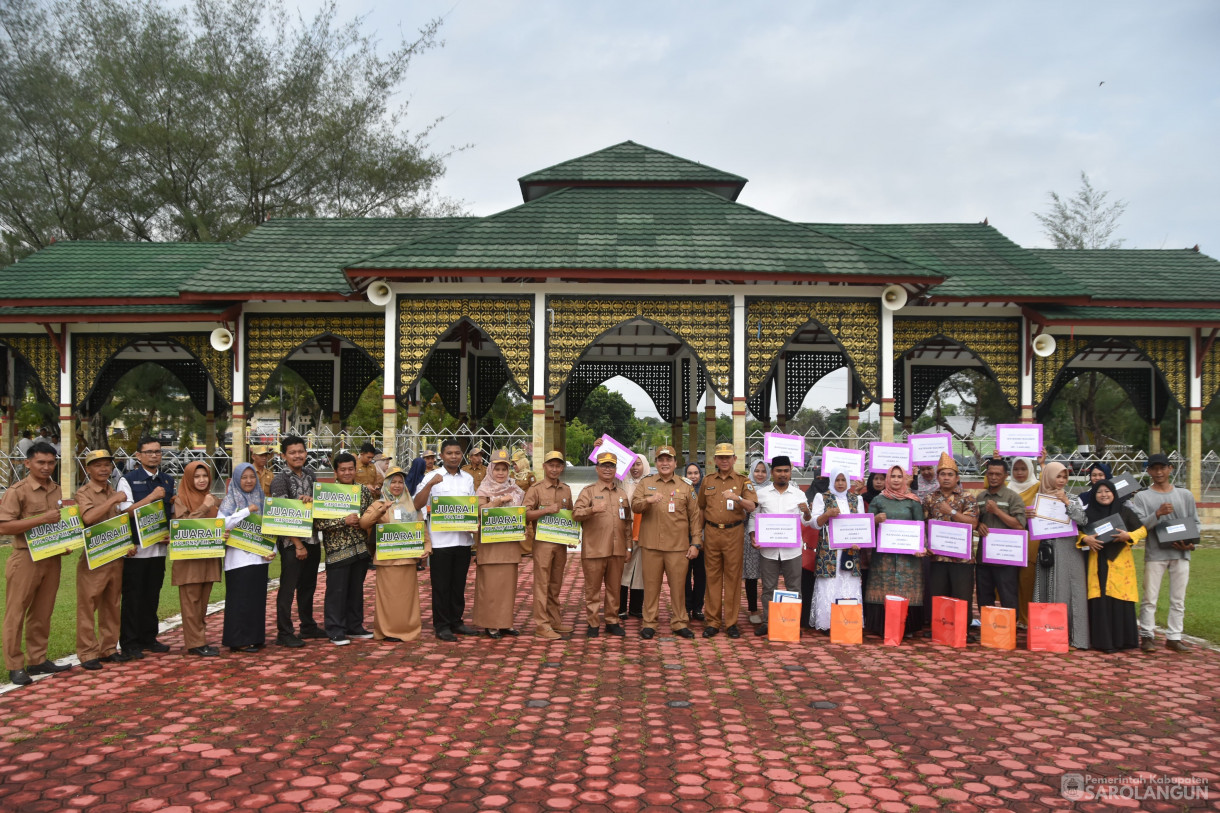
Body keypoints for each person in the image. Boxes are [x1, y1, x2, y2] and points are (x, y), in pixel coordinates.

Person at [0, 441, 72, 686]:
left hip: (51, 558)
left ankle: (38, 659)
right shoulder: (17, 491)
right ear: (27, 463)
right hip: (25, 558)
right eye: (41, 462)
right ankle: (14, 665)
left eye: (51, 462)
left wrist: (66, 541)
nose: (46, 467)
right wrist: (42, 519)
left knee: (43, 612)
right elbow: (4, 527)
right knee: (16, 613)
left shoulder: (58, 490)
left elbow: (61, 523)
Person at [631, 446, 702, 640]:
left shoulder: (685, 485)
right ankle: (649, 622)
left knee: (679, 587)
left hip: (677, 547)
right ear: (656, 463)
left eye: (668, 460)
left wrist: (695, 543)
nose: (664, 463)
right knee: (651, 587)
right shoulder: (646, 483)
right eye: (661, 460)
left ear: (675, 463)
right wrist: (649, 500)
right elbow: (634, 505)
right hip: (651, 545)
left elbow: (695, 517)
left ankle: (680, 622)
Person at [1129, 453, 1198, 652]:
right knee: (1150, 597)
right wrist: (1157, 514)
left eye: (1162, 468)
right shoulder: (1142, 496)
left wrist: (1190, 544)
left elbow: (1195, 523)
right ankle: (1147, 635)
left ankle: (1174, 636)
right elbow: (1140, 526)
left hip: (1181, 553)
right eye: (1154, 468)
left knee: (1178, 598)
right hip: (1156, 553)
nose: (1159, 472)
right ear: (1148, 471)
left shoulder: (1184, 495)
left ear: (1170, 469)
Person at [118, 435, 177, 657]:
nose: (154, 455)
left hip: (158, 548)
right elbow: (125, 512)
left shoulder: (169, 480)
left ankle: (149, 637)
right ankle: (130, 642)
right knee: (133, 597)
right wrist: (152, 497)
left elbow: (172, 514)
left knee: (152, 595)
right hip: (136, 549)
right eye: (149, 452)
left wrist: (172, 533)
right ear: (138, 455)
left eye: (158, 451)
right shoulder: (128, 480)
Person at [414, 438, 479, 641]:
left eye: (457, 453)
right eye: (449, 453)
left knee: (458, 585)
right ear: (441, 456)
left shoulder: (467, 478)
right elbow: (417, 503)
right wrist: (430, 485)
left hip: (463, 540)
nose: (453, 456)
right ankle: (441, 625)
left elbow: (471, 506)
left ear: (462, 455)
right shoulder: (432, 476)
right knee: (441, 586)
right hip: (441, 542)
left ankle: (456, 621)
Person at [73, 450, 130, 670]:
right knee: (88, 605)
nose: (104, 469)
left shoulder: (112, 490)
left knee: (112, 604)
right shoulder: (84, 493)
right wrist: (114, 499)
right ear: (88, 469)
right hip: (94, 558)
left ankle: (108, 648)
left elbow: (118, 521)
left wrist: (127, 544)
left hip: (115, 555)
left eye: (107, 465)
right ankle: (87, 652)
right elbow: (88, 518)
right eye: (98, 465)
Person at [361, 467, 430, 642]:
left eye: (400, 482)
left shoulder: (411, 504)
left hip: (408, 559)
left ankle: (408, 629)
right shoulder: (379, 503)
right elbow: (364, 523)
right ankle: (387, 631)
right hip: (386, 560)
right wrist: (381, 510)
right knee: (388, 597)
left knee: (406, 598)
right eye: (393, 482)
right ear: (386, 484)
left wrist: (427, 546)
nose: (397, 485)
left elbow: (421, 526)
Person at [748, 456, 814, 637]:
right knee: (769, 587)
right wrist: (753, 536)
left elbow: (806, 521)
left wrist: (807, 512)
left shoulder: (799, 494)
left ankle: (792, 623)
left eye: (786, 471)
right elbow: (754, 518)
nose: (782, 474)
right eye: (779, 471)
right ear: (772, 472)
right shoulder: (762, 494)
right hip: (768, 550)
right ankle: (768, 622)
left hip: (792, 551)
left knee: (794, 588)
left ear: (790, 472)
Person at [1077, 480, 1145, 653]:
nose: (1104, 494)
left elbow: (1143, 530)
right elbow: (1077, 531)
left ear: (1114, 493)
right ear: (1094, 495)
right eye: (1099, 492)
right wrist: (1085, 538)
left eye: (1107, 491)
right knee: (1102, 600)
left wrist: (1128, 536)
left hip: (1120, 560)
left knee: (1119, 598)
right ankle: (1103, 642)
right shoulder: (1088, 514)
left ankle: (1124, 641)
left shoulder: (1124, 511)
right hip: (1097, 560)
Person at [269, 435, 324, 648]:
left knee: (308, 585)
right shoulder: (280, 478)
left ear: (306, 453)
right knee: (288, 587)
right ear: (284, 456)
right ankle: (284, 631)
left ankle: (308, 625)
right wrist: (297, 544)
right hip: (292, 543)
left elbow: (320, 504)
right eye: (292, 452)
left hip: (312, 538)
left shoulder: (311, 474)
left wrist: (313, 501)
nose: (297, 455)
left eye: (301, 451)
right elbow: (280, 514)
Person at [697, 444, 756, 639]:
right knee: (712, 578)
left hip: (734, 533)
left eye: (727, 457)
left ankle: (731, 623)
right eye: (720, 457)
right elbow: (702, 509)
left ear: (734, 459)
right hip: (712, 532)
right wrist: (698, 535)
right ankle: (712, 621)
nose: (724, 461)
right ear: (714, 460)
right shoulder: (708, 480)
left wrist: (736, 497)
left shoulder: (743, 481)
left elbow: (752, 506)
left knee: (732, 578)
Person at [317, 452, 375, 645]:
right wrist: (344, 521)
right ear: (335, 471)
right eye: (343, 470)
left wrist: (364, 523)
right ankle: (335, 630)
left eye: (351, 469)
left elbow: (369, 514)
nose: (347, 473)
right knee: (337, 591)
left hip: (359, 549)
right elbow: (319, 524)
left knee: (356, 590)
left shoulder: (362, 491)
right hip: (337, 550)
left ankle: (355, 626)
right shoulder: (327, 492)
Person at [1032, 461, 1090, 649]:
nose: (1061, 480)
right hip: (1048, 549)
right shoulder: (1039, 499)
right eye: (1058, 476)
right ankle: (1048, 636)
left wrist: (1066, 503)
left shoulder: (1073, 498)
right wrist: (1029, 517)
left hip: (1070, 550)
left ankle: (1075, 637)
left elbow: (1083, 520)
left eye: (1064, 476)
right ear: (1049, 477)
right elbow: (1032, 528)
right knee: (1047, 585)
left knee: (1071, 589)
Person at [218, 462, 275, 652]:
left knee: (257, 599)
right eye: (244, 477)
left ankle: (255, 637)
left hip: (258, 557)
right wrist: (246, 511)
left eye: (252, 477)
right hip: (237, 559)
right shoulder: (229, 499)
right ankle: (238, 640)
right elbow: (222, 522)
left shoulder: (261, 498)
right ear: (236, 479)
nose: (249, 481)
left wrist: (272, 550)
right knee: (239, 600)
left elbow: (269, 526)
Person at [573, 451, 632, 637]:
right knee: (593, 590)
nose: (608, 469)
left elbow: (627, 523)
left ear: (616, 469)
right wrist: (592, 509)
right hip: (594, 549)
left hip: (617, 549)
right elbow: (576, 514)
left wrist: (629, 547)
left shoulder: (621, 493)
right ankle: (593, 623)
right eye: (604, 465)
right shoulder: (588, 491)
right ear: (597, 468)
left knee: (615, 589)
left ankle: (612, 621)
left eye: (611, 466)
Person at [864, 465, 926, 639]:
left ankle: (907, 627)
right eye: (893, 476)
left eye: (900, 476)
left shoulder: (913, 501)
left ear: (905, 478)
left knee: (906, 588)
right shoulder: (878, 500)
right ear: (887, 479)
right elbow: (867, 526)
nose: (896, 480)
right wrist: (875, 520)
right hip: (883, 556)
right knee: (883, 586)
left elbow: (920, 526)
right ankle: (880, 626)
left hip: (908, 557)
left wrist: (920, 547)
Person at [922, 453, 980, 636]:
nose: (946, 478)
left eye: (950, 474)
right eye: (942, 474)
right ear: (937, 477)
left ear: (957, 477)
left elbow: (973, 523)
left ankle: (962, 631)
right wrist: (925, 543)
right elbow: (924, 525)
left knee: (962, 595)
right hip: (937, 556)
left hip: (962, 558)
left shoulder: (968, 497)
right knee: (938, 595)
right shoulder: (930, 498)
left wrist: (952, 511)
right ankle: (939, 628)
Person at [473, 449, 525, 639]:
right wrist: (498, 501)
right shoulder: (483, 489)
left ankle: (505, 623)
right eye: (497, 469)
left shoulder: (516, 489)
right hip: (490, 545)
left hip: (509, 544)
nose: (501, 473)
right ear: (491, 470)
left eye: (504, 469)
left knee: (507, 586)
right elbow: (478, 511)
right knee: (491, 586)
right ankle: (490, 624)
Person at [173, 462, 223, 657]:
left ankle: (200, 640)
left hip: (209, 557)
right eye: (196, 476)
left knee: (202, 602)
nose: (201, 480)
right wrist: (205, 507)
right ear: (188, 478)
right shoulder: (180, 499)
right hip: (189, 559)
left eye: (204, 476)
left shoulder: (211, 498)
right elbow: (184, 526)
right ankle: (195, 643)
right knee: (191, 601)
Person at [524, 451, 575, 639]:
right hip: (543, 543)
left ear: (562, 468)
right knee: (542, 584)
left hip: (560, 542)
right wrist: (545, 511)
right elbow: (525, 514)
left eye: (558, 465)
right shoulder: (535, 489)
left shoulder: (566, 489)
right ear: (544, 466)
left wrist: (571, 535)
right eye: (551, 465)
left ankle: (555, 620)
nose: (554, 469)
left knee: (555, 583)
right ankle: (541, 624)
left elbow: (570, 515)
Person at [809, 469, 863, 632]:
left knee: (849, 583)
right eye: (837, 480)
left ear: (848, 482)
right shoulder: (822, 497)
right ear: (831, 481)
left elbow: (861, 525)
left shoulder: (856, 499)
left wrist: (858, 541)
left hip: (850, 550)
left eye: (843, 480)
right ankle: (827, 623)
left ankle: (848, 621)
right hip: (829, 550)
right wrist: (827, 514)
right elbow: (814, 523)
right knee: (829, 584)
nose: (840, 483)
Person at [975, 458, 1027, 612]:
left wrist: (997, 511)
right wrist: (978, 525)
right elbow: (973, 521)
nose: (993, 477)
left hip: (1006, 558)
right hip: (984, 557)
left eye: (998, 474)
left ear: (1005, 476)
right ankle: (988, 629)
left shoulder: (1013, 497)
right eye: (990, 473)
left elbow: (1019, 525)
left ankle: (1009, 632)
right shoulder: (980, 497)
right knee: (984, 596)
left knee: (1008, 596)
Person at [1009, 455, 1042, 628]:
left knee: (1027, 579)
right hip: (1009, 539)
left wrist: (1043, 463)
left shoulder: (1037, 486)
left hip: (1030, 538)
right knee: (1009, 580)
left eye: (1023, 469)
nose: (1020, 472)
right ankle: (1011, 617)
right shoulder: (1008, 487)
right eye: (1016, 469)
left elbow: (1049, 493)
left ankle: (1026, 618)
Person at [618, 455, 650, 620]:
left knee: (641, 571)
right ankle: (620, 607)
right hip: (626, 532)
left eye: (638, 464)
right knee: (623, 569)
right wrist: (598, 448)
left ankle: (636, 608)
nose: (635, 468)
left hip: (645, 532)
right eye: (631, 465)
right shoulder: (624, 482)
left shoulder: (652, 482)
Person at [743, 457, 770, 624]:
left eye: (764, 471)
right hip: (750, 535)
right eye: (757, 470)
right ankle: (753, 609)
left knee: (769, 574)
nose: (760, 474)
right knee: (751, 574)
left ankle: (770, 609)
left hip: (771, 535)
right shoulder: (746, 488)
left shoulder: (774, 488)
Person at [683, 462, 707, 621]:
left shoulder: (705, 492)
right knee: (684, 576)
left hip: (703, 540)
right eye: (690, 473)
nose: (693, 476)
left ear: (700, 474)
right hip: (683, 540)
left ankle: (698, 608)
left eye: (696, 473)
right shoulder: (681, 490)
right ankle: (685, 607)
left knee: (701, 576)